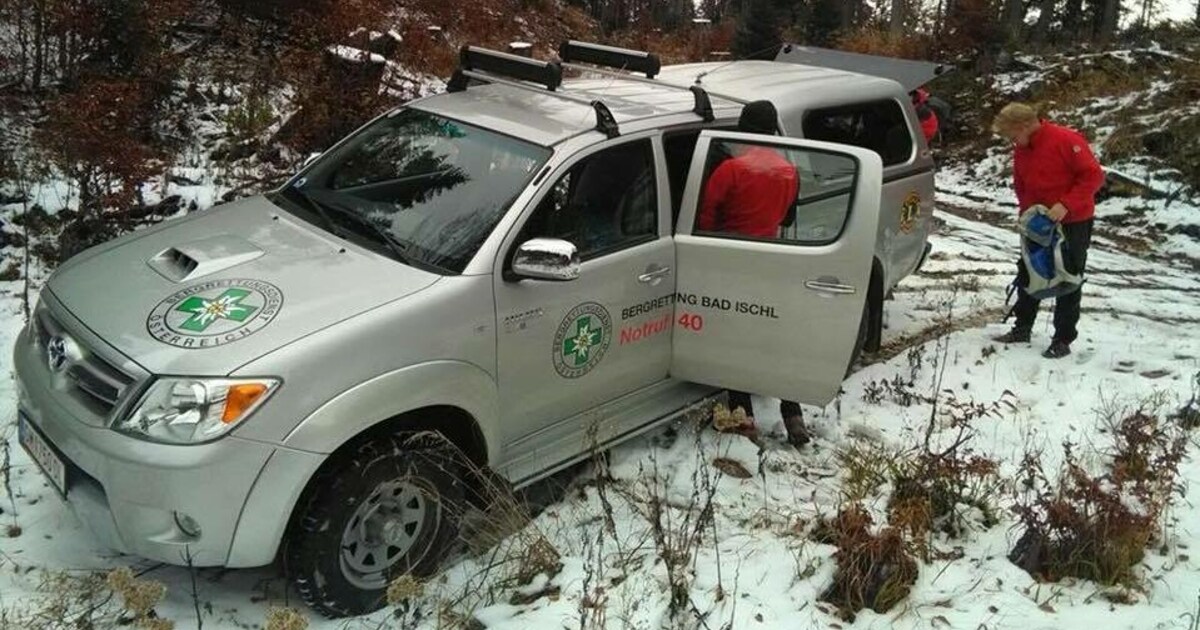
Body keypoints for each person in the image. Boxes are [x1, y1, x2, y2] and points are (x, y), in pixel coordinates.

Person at [698, 100, 810, 447]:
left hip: (733, 262)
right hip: (771, 261)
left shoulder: (729, 169)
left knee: (736, 340)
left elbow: (703, 220)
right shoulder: (789, 171)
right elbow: (788, 218)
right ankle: (793, 416)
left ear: (744, 129)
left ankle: (743, 418)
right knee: (772, 339)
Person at [991, 103, 1105, 359]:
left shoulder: (1066, 140)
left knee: (1069, 276)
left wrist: (1065, 205)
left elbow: (1092, 177)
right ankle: (1022, 327)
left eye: (1012, 136)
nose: (1012, 142)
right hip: (1036, 222)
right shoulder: (1022, 148)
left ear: (1023, 126)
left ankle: (1063, 338)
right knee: (1029, 272)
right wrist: (1025, 215)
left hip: (1072, 220)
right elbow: (1022, 183)